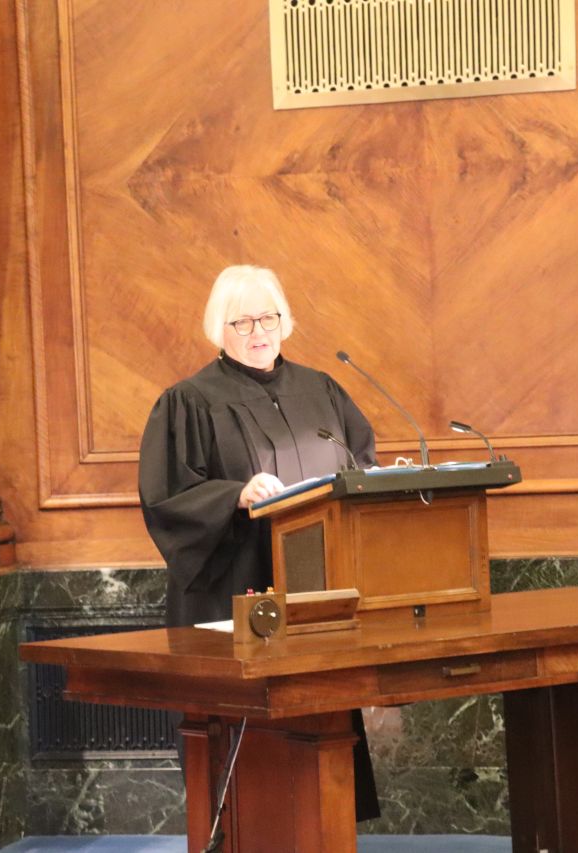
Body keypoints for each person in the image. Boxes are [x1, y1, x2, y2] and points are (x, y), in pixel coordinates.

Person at [138, 264, 380, 820]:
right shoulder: (189, 401)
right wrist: (235, 494)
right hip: (232, 586)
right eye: (240, 321)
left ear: (284, 321)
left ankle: (325, 826)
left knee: (317, 728)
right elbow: (167, 496)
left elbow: (360, 464)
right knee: (241, 743)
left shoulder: (321, 389)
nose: (257, 332)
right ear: (218, 329)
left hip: (312, 583)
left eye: (267, 317)